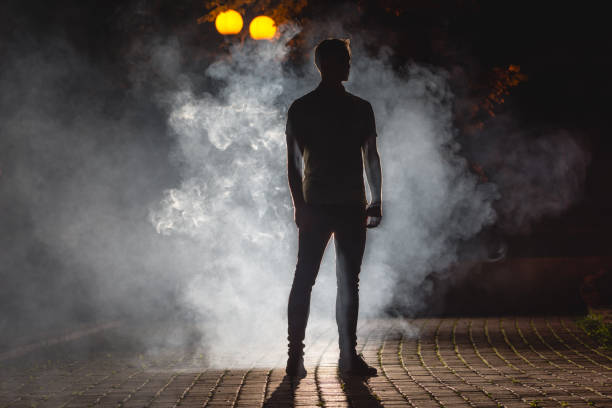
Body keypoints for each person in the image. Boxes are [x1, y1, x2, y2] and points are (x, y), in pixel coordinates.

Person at [285, 38, 383, 377]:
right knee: (346, 282)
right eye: (345, 59)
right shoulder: (360, 108)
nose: (349, 65)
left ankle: (295, 357)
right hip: (349, 205)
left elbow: (293, 165)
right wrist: (375, 199)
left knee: (305, 278)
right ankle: (347, 357)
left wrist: (300, 206)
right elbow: (371, 157)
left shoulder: (302, 107)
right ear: (329, 64)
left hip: (318, 204)